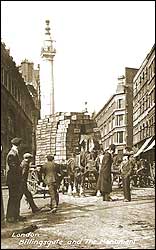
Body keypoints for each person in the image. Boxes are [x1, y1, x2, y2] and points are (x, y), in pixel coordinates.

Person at [6, 137, 26, 223]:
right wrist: (21, 166)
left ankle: (16, 215)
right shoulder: (12, 154)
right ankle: (10, 217)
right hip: (13, 180)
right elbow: (13, 168)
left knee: (17, 197)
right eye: (21, 144)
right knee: (13, 198)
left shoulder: (15, 152)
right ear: (18, 145)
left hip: (16, 180)